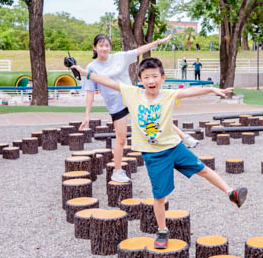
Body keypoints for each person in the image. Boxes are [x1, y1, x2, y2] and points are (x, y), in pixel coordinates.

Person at [72, 57, 247, 248]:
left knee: (203, 169)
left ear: (162, 78)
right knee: (159, 197)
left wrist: (211, 89)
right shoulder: (133, 93)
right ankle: (162, 230)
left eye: (155, 76)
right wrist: (85, 73)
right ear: (140, 80)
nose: (151, 80)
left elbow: (190, 91)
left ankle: (231, 192)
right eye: (146, 77)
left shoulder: (168, 96)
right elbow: (108, 82)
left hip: (174, 147)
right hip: (154, 155)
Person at [79, 33, 198, 185]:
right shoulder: (91, 67)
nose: (104, 48)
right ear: (95, 48)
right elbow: (90, 92)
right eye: (101, 45)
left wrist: (158, 41)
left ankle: (183, 137)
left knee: (157, 118)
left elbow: (139, 50)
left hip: (133, 97)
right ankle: (117, 172)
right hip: (116, 105)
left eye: (107, 45)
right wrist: (87, 114)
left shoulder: (119, 57)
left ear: (110, 47)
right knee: (121, 138)